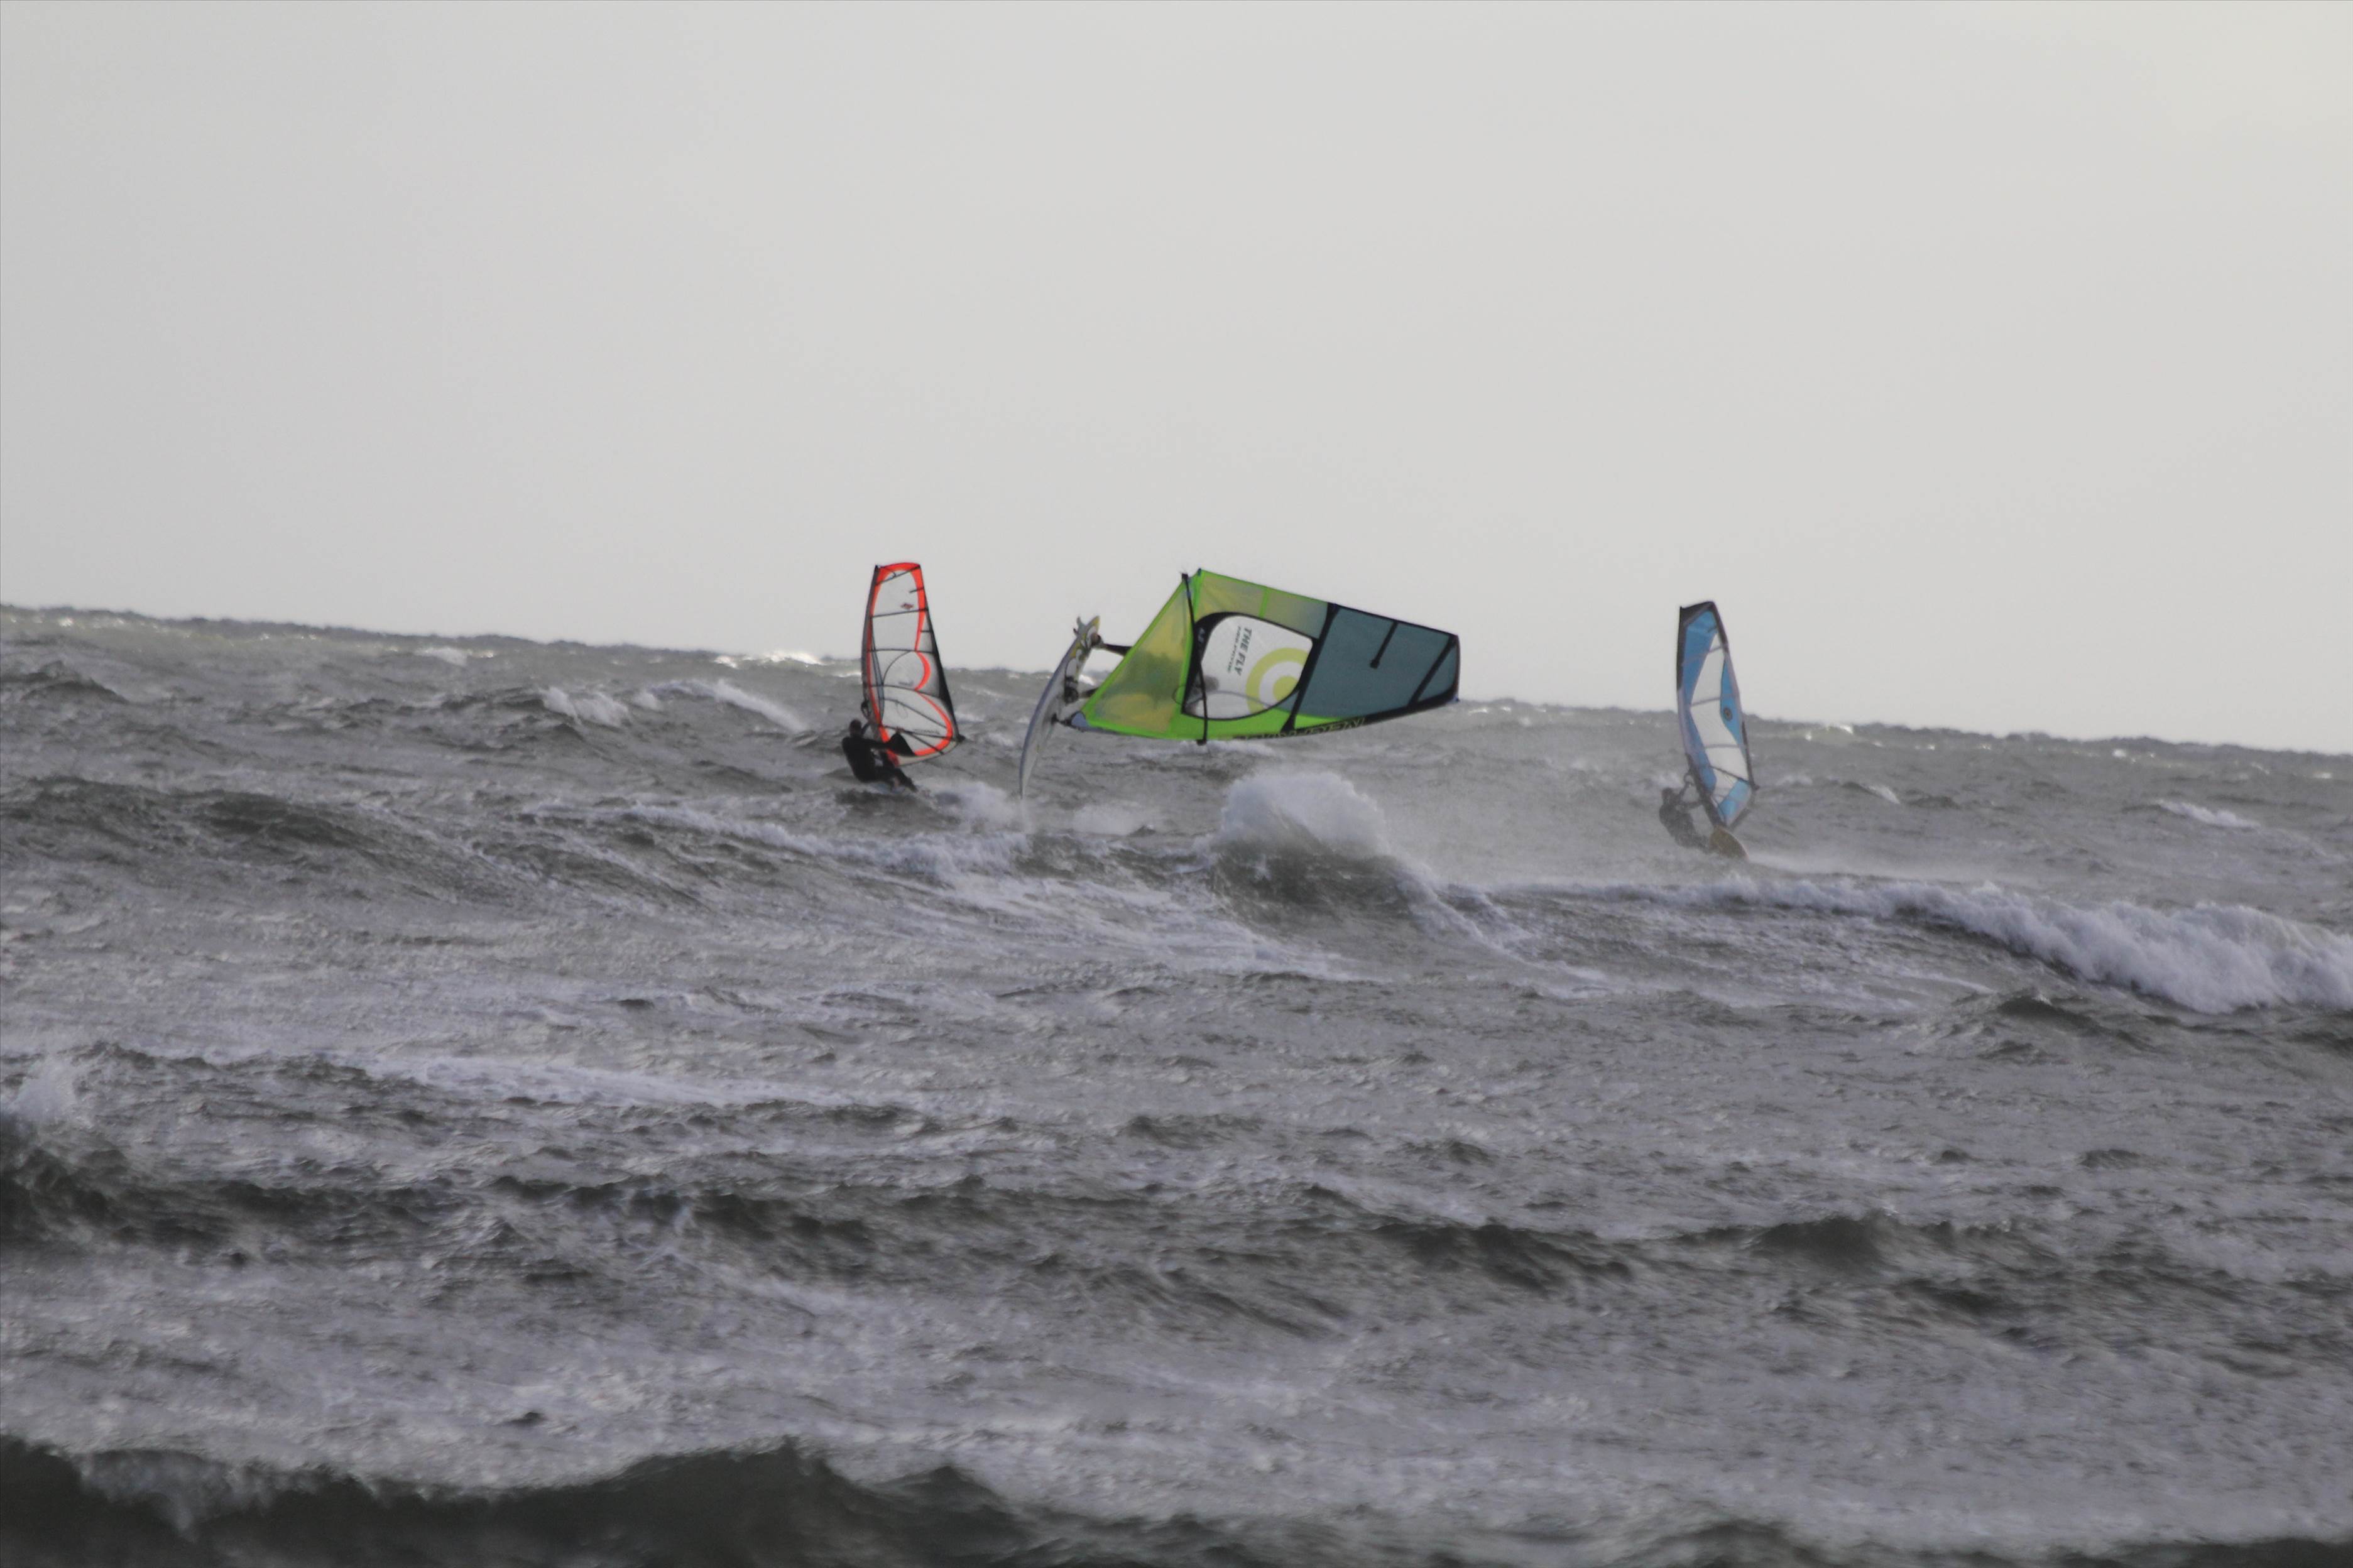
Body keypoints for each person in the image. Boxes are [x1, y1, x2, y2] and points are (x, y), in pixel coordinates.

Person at [841, 707, 915, 791]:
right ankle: (913, 790)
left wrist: (869, 723)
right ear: (860, 729)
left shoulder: (846, 742)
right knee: (897, 772)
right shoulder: (866, 743)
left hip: (859, 776)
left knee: (882, 760)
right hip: (872, 774)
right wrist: (897, 733)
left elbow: (857, 738)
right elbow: (888, 746)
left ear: (850, 729)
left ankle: (893, 783)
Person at [1657, 781, 1710, 851]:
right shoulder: (1665, 810)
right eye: (1672, 795)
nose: (1674, 796)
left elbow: (1688, 804)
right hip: (1683, 838)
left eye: (1673, 795)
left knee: (1705, 844)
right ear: (1667, 798)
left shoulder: (1676, 805)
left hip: (1687, 836)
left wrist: (1702, 801)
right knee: (1704, 843)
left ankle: (1713, 850)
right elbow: (1676, 809)